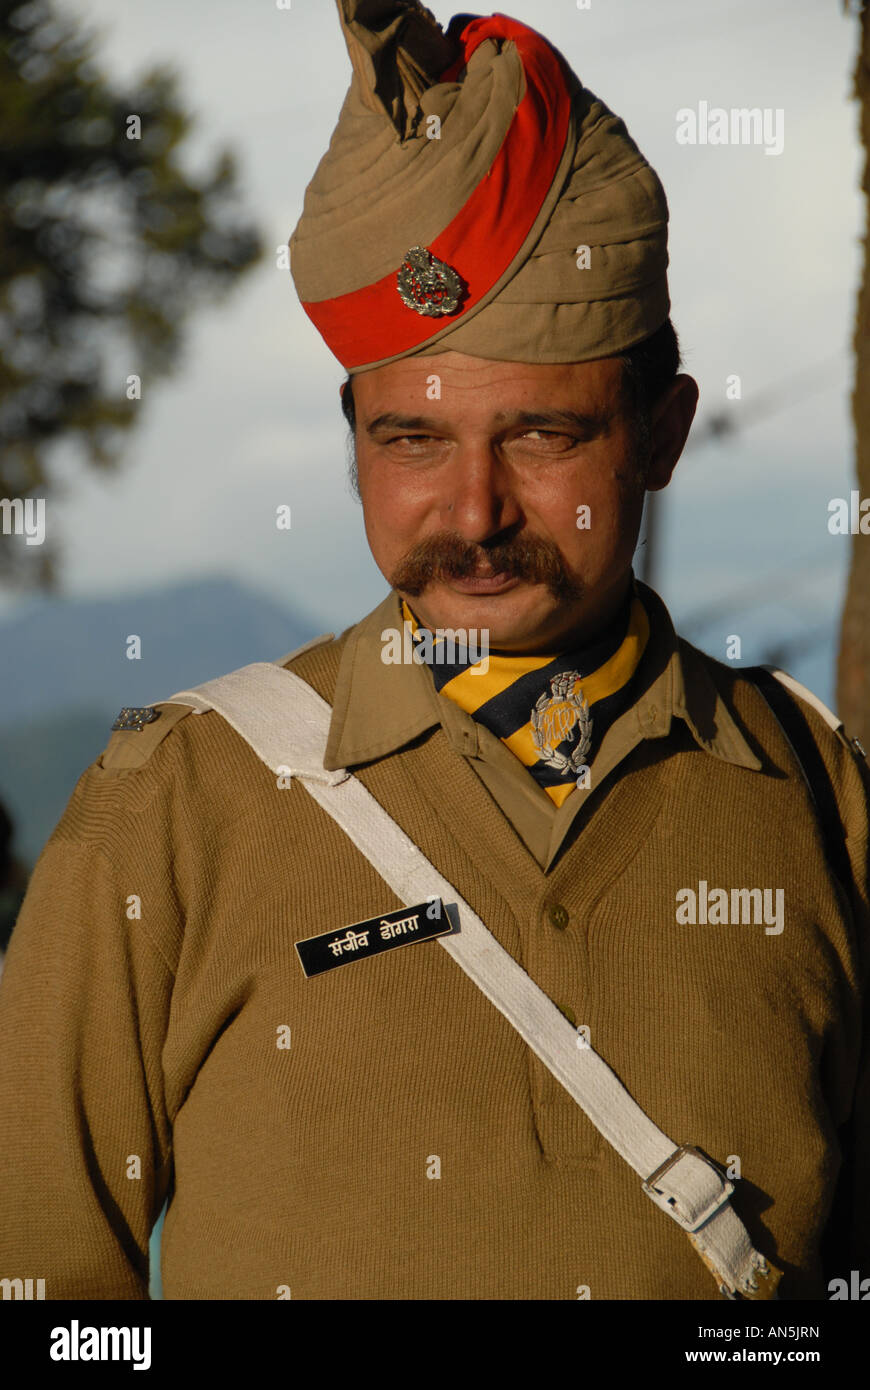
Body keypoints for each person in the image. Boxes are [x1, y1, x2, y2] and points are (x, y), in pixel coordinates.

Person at [0, 1, 867, 1302]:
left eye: (540, 436)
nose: (471, 514)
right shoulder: (172, 805)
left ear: (662, 433)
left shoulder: (819, 798)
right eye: (409, 440)